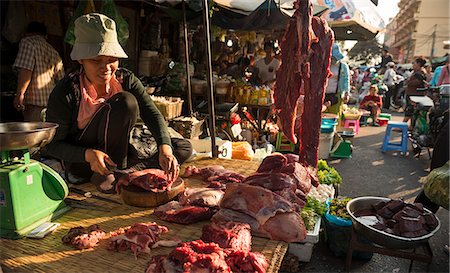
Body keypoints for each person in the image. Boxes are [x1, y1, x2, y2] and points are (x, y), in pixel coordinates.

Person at [45, 13, 192, 193]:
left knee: (182, 148)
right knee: (125, 102)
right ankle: (105, 172)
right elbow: (52, 145)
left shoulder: (126, 79)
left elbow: (152, 114)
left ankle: (124, 172)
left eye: (111, 60)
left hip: (120, 153)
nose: (106, 68)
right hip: (84, 162)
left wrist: (166, 150)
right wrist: (89, 155)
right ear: (80, 59)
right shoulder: (66, 91)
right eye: (96, 60)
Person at [13, 21, 64, 121]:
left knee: (33, 135)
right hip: (50, 105)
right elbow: (61, 81)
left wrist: (19, 94)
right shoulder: (53, 51)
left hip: (34, 105)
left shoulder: (27, 42)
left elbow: (26, 69)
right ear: (45, 36)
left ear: (27, 33)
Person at [323, 43, 350, 119]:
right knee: (322, 116)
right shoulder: (324, 64)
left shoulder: (343, 66)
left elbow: (346, 80)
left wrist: (346, 93)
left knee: (334, 117)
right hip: (323, 94)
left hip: (336, 95)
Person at [403, 57, 428, 127]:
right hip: (412, 93)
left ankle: (402, 126)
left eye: (414, 63)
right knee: (412, 112)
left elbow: (419, 82)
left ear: (419, 64)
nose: (413, 65)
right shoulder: (416, 72)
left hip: (415, 95)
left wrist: (408, 82)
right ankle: (411, 126)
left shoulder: (420, 73)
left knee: (409, 110)